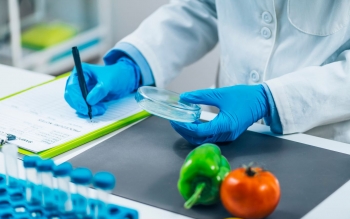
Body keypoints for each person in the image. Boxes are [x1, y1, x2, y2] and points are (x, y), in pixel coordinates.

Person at [64, 1, 350, 145]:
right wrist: (133, 64)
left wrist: (271, 99)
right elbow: (204, 6)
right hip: (226, 141)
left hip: (325, 142)